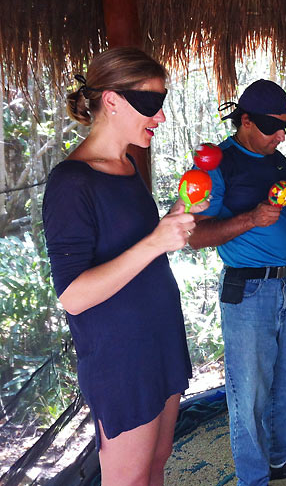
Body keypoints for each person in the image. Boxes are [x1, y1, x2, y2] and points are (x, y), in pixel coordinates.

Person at [42, 47, 205, 486]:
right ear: (111, 100)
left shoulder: (127, 164)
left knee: (157, 462)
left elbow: (133, 246)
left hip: (159, 334)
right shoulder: (71, 182)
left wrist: (177, 211)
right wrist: (155, 242)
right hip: (120, 353)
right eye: (151, 104)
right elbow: (73, 296)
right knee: (127, 479)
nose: (162, 117)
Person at [188, 79, 286, 486]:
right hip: (247, 289)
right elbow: (193, 236)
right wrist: (250, 219)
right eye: (274, 126)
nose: (281, 135)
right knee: (250, 391)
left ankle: (279, 460)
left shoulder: (280, 164)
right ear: (245, 121)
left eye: (285, 125)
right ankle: (253, 478)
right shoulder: (216, 164)